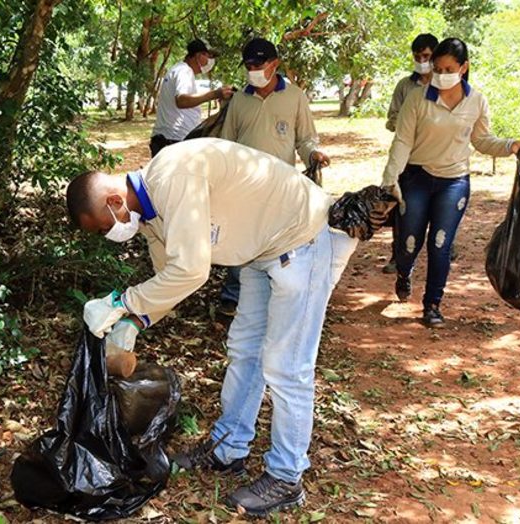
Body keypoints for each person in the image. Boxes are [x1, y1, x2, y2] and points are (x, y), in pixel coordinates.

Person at [68, 138, 358, 516]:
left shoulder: (174, 175)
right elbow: (171, 280)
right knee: (244, 351)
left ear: (113, 201)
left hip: (302, 236)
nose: (111, 234)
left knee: (286, 366)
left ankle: (287, 477)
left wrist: (121, 302)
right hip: (259, 251)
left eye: (105, 227)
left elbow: (190, 269)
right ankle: (229, 448)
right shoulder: (150, 219)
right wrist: (135, 322)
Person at [381, 38, 520, 327]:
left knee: (441, 244)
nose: (440, 74)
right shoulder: (417, 98)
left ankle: (432, 305)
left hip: (454, 182)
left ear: (464, 68)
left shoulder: (477, 101)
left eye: (448, 68)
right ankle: (404, 271)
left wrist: (511, 145)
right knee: (408, 242)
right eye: (436, 68)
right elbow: (402, 142)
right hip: (417, 177)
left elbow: (482, 140)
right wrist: (390, 181)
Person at [216, 37, 330, 316]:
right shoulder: (240, 100)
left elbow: (305, 139)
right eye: (249, 65)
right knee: (240, 236)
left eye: (258, 64)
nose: (252, 69)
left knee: (276, 239)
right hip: (243, 183)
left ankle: (275, 292)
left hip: (281, 183)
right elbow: (227, 143)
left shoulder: (294, 97)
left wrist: (313, 154)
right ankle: (232, 295)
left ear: (274, 64)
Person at [381, 33, 439, 275]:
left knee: (438, 204)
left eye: (426, 56)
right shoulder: (405, 86)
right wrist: (406, 124)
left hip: (436, 157)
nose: (421, 61)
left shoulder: (446, 86)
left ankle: (443, 245)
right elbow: (392, 118)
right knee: (401, 207)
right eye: (417, 57)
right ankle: (398, 256)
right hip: (406, 159)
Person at [150, 39, 234, 157]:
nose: (211, 61)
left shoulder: (178, 69)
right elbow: (182, 100)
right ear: (198, 55)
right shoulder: (185, 71)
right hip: (174, 141)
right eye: (208, 56)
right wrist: (215, 94)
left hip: (169, 139)